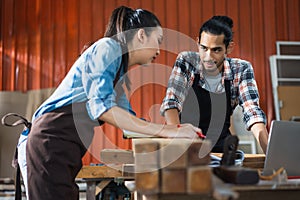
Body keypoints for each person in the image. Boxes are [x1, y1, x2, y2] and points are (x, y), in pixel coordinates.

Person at [19, 6, 202, 200]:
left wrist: (177, 132)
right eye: (157, 41)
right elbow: (103, 109)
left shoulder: (118, 75)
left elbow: (130, 126)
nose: (158, 50)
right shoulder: (108, 47)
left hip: (64, 151)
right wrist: (168, 131)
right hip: (48, 143)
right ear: (141, 35)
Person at [160, 15, 269, 153]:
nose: (208, 57)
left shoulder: (241, 69)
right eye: (204, 48)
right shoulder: (186, 61)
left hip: (221, 149)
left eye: (216, 50)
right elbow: (171, 102)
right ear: (198, 42)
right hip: (185, 146)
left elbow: (252, 112)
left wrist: (269, 152)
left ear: (229, 48)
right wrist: (178, 142)